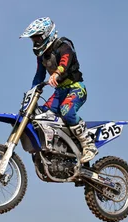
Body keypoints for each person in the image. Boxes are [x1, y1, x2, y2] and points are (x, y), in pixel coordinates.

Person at [19, 17, 98, 163]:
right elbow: (39, 76)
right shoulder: (42, 55)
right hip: (59, 92)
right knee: (41, 115)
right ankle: (59, 149)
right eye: (33, 39)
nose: (35, 42)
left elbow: (65, 62)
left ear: (47, 34)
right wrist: (30, 95)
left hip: (76, 89)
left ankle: (89, 145)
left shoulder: (64, 46)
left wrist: (56, 73)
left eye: (37, 37)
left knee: (66, 111)